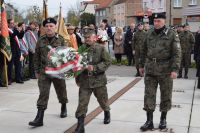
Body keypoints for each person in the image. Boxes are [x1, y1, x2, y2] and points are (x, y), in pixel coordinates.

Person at [139, 13, 181, 131]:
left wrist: (175, 69)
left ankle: (163, 119)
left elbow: (177, 53)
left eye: (159, 21)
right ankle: (149, 121)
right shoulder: (149, 34)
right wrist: (141, 65)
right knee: (149, 95)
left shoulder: (172, 34)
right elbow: (143, 50)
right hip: (151, 69)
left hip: (165, 70)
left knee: (166, 95)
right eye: (155, 21)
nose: (156, 23)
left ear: (164, 21)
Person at [29, 18, 68, 127]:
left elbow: (66, 56)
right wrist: (36, 70)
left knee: (61, 91)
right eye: (47, 26)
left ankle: (63, 106)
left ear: (55, 27)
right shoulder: (40, 40)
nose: (49, 28)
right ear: (44, 28)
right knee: (43, 93)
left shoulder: (61, 39)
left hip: (57, 72)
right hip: (44, 72)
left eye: (51, 26)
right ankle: (39, 118)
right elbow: (36, 56)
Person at [73, 27, 111, 133]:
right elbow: (76, 63)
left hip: (98, 81)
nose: (86, 39)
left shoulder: (100, 48)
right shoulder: (81, 49)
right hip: (85, 81)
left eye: (88, 37)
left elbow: (107, 62)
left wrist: (95, 68)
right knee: (82, 104)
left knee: (102, 101)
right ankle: (80, 126)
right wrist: (77, 74)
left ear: (94, 37)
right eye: (85, 37)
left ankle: (107, 112)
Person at [7, 19, 24, 84]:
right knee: (10, 66)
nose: (13, 24)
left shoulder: (14, 30)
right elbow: (11, 37)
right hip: (11, 50)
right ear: (8, 24)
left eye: (13, 23)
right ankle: (9, 79)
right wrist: (17, 30)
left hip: (17, 50)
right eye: (11, 23)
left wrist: (22, 30)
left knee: (18, 65)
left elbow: (20, 37)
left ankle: (18, 78)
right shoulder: (7, 30)